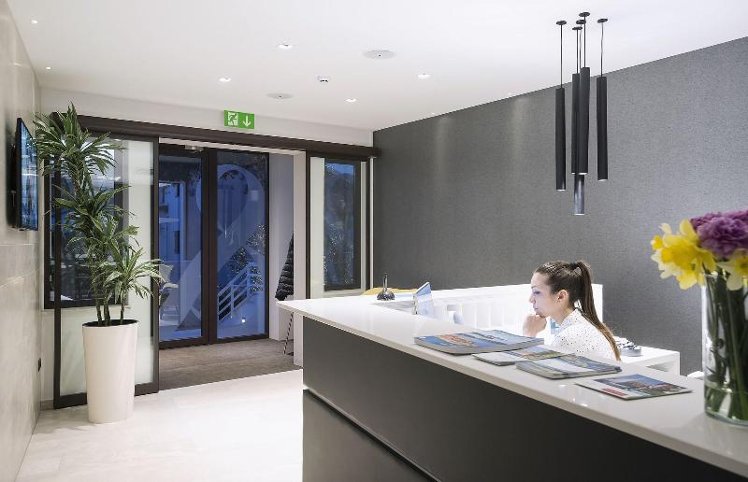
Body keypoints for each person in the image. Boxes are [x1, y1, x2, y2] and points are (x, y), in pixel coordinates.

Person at [523, 260, 620, 360]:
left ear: (561, 296)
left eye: (537, 292)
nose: (531, 300)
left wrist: (529, 335)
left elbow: (528, 369)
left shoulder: (568, 338)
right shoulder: (580, 325)